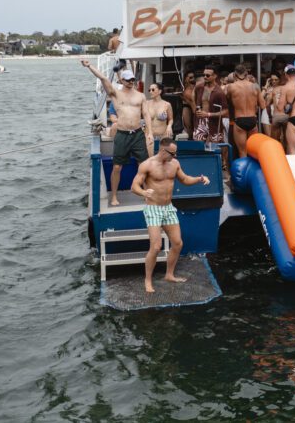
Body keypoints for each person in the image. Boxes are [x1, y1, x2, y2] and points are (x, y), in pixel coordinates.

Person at [131, 137, 210, 293]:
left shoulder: (174, 163)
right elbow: (134, 186)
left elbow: (185, 179)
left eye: (175, 153)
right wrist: (143, 192)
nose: (175, 157)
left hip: (168, 208)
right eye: (172, 154)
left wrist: (199, 179)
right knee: (156, 246)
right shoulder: (147, 165)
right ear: (162, 150)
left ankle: (169, 275)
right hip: (153, 208)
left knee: (178, 243)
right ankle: (148, 280)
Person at [81, 60, 152, 205]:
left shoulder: (141, 96)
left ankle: (147, 193)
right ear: (122, 80)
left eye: (132, 79)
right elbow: (103, 78)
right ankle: (114, 196)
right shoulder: (115, 94)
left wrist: (149, 132)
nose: (131, 81)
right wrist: (89, 66)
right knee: (117, 167)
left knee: (143, 165)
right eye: (128, 79)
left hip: (138, 133)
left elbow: (146, 114)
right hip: (122, 134)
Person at [226, 64, 265, 157]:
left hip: (239, 119)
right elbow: (263, 105)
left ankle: (243, 172)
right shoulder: (255, 86)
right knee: (253, 150)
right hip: (252, 119)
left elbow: (228, 102)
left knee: (242, 152)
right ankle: (254, 170)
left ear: (235, 75)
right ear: (247, 74)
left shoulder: (231, 87)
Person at [194, 65, 229, 144]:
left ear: (215, 76)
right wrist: (196, 111)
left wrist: (208, 114)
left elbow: (225, 111)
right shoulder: (199, 87)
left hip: (214, 122)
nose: (205, 77)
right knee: (198, 146)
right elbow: (195, 100)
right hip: (200, 122)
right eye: (204, 75)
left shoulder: (219, 92)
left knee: (215, 147)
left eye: (208, 75)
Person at [145, 82, 174, 155]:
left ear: (160, 91)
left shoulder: (167, 104)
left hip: (163, 134)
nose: (150, 92)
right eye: (149, 90)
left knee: (164, 156)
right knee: (149, 156)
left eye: (153, 90)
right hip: (149, 134)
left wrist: (169, 126)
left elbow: (171, 119)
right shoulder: (146, 103)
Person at [180, 70, 197, 139]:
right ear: (186, 78)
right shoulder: (184, 87)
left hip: (194, 108)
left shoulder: (195, 87)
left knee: (195, 127)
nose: (192, 79)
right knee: (189, 128)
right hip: (187, 108)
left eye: (193, 77)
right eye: (190, 77)